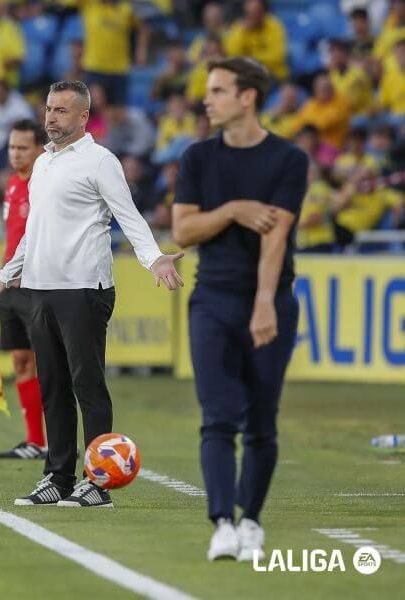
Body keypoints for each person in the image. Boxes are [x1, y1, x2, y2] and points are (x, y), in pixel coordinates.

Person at [0, 81, 183, 508]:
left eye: (61, 111)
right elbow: (33, 229)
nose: (51, 117)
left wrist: (154, 259)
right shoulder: (43, 164)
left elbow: (128, 217)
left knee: (86, 385)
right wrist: (6, 273)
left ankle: (98, 481)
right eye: (49, 109)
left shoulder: (100, 161)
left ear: (82, 118)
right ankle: (58, 476)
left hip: (83, 289)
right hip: (39, 288)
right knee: (52, 386)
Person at [171, 57, 308, 562]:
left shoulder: (288, 160)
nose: (207, 99)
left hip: (269, 299)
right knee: (218, 417)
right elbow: (183, 231)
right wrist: (231, 211)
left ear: (247, 97)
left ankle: (251, 520)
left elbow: (277, 237)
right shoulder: (198, 158)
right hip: (211, 300)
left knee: (262, 422)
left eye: (219, 90)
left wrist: (265, 303)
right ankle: (222, 524)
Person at [0, 119, 47, 460]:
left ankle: (54, 439)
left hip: (38, 285)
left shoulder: (45, 184)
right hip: (11, 286)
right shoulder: (13, 184)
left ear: (39, 149)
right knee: (21, 360)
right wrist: (0, 277)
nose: (16, 154)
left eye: (23, 147)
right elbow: (10, 237)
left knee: (48, 363)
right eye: (12, 147)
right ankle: (35, 441)